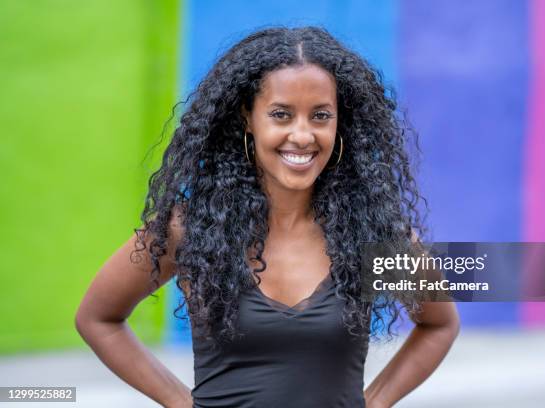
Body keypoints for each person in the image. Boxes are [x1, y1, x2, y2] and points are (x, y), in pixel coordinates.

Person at [75, 26, 460, 408]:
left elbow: (439, 323)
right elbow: (98, 318)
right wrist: (178, 401)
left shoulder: (372, 234)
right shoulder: (192, 229)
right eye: (281, 114)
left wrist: (374, 402)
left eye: (321, 115)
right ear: (248, 118)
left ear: (340, 122)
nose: (303, 135)